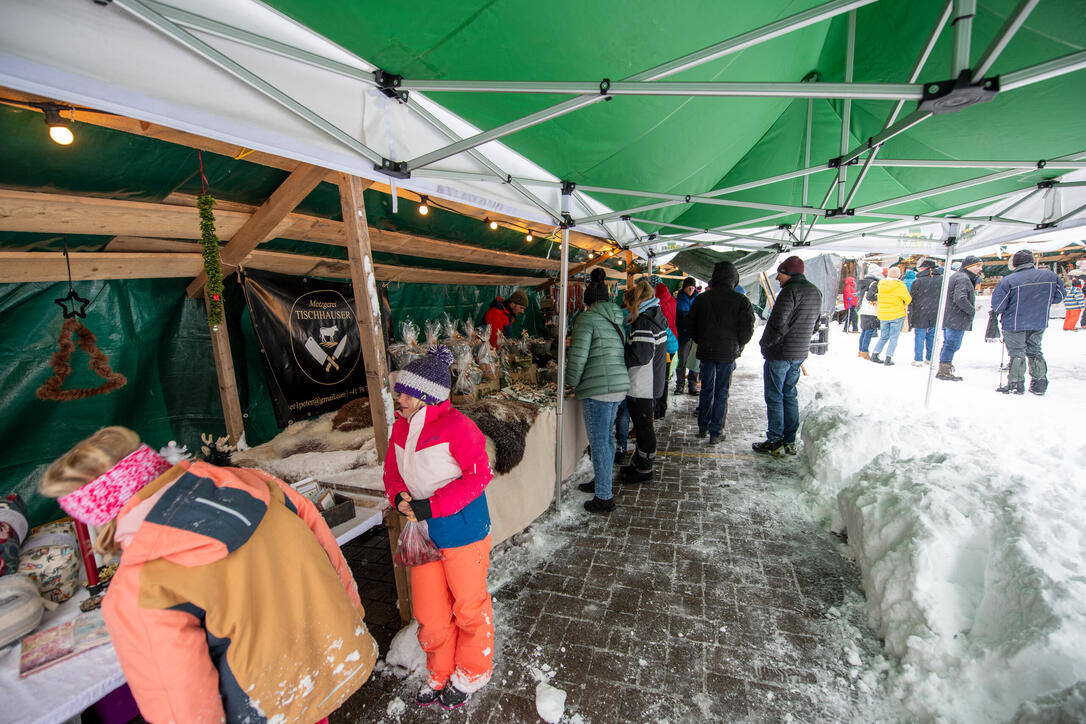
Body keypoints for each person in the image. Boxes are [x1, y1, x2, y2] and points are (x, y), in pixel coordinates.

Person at [40, 427, 376, 724]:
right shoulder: (259, 485)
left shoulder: (139, 587)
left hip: (268, 703)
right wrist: (350, 617)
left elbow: (183, 704)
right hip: (322, 661)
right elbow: (326, 550)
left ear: (100, 518)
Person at [383, 347, 495, 709]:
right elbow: (392, 473)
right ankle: (440, 669)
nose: (398, 397)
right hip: (422, 535)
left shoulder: (458, 427)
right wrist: (398, 495)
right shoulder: (400, 428)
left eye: (404, 391)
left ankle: (474, 670)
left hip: (463, 531)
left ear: (426, 396)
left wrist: (429, 506)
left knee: (468, 606)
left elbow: (480, 475)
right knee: (430, 612)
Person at [566, 270, 630, 514]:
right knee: (606, 439)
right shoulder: (616, 317)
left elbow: (578, 356)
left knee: (600, 442)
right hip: (617, 386)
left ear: (588, 301)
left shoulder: (588, 319)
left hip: (598, 390)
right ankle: (601, 481)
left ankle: (604, 496)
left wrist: (569, 382)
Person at [753, 256, 821, 456]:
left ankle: (775, 439)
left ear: (789, 273)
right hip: (799, 352)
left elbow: (778, 324)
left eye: (780, 274)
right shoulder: (815, 292)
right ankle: (789, 440)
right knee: (789, 394)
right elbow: (815, 324)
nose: (777, 279)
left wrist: (766, 344)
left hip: (780, 352)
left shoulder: (789, 292)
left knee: (775, 396)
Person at [687, 261, 755, 444]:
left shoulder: (701, 299)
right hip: (728, 354)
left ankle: (702, 427)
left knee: (706, 389)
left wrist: (701, 340)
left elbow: (690, 325)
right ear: (734, 278)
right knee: (722, 391)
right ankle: (716, 432)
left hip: (707, 352)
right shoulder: (742, 300)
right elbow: (748, 329)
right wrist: (738, 345)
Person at [991, 249, 1065, 395]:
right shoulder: (1051, 276)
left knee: (1017, 353)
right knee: (1035, 350)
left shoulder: (1008, 280)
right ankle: (1039, 383)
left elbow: (998, 306)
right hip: (1038, 320)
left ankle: (1016, 384)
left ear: (1015, 263)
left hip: (1014, 322)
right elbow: (1059, 297)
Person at [620, 280, 668, 483]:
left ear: (635, 303)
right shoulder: (655, 316)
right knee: (644, 426)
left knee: (644, 427)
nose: (628, 310)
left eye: (628, 306)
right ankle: (640, 462)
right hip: (652, 383)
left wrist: (621, 354)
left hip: (643, 385)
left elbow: (641, 355)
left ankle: (644, 470)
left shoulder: (644, 322)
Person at [936, 255, 984, 381]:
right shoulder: (963, 278)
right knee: (952, 344)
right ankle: (944, 370)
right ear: (968, 266)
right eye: (977, 266)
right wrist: (971, 310)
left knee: (949, 343)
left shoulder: (958, 276)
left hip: (950, 316)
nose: (980, 269)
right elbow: (960, 298)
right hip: (956, 317)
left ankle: (944, 368)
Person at [871, 267, 912, 366]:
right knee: (894, 337)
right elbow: (908, 300)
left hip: (883, 314)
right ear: (898, 275)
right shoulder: (900, 286)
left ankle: (875, 354)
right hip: (897, 315)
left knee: (884, 336)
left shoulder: (881, 284)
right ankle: (888, 358)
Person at [908, 259, 942, 367]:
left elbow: (912, 297)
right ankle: (930, 358)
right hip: (935, 310)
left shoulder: (918, 281)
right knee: (932, 335)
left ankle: (918, 358)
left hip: (920, 310)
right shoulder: (941, 280)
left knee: (920, 335)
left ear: (925, 268)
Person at [653, 278, 679, 418]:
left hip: (662, 343)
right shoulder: (673, 301)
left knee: (658, 376)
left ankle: (657, 409)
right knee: (665, 377)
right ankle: (662, 408)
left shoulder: (658, 304)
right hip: (672, 341)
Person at [674, 277, 700, 395]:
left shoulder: (699, 300)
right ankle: (680, 385)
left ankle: (692, 385)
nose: (690, 289)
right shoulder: (677, 300)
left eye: (692, 287)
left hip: (695, 337)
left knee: (694, 362)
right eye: (688, 287)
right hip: (683, 336)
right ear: (684, 287)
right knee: (682, 361)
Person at [857, 263, 882, 359]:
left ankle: (861, 351)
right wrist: (879, 297)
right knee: (869, 331)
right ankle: (864, 351)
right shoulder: (874, 283)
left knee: (864, 331)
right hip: (870, 311)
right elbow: (869, 296)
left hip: (863, 309)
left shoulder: (864, 282)